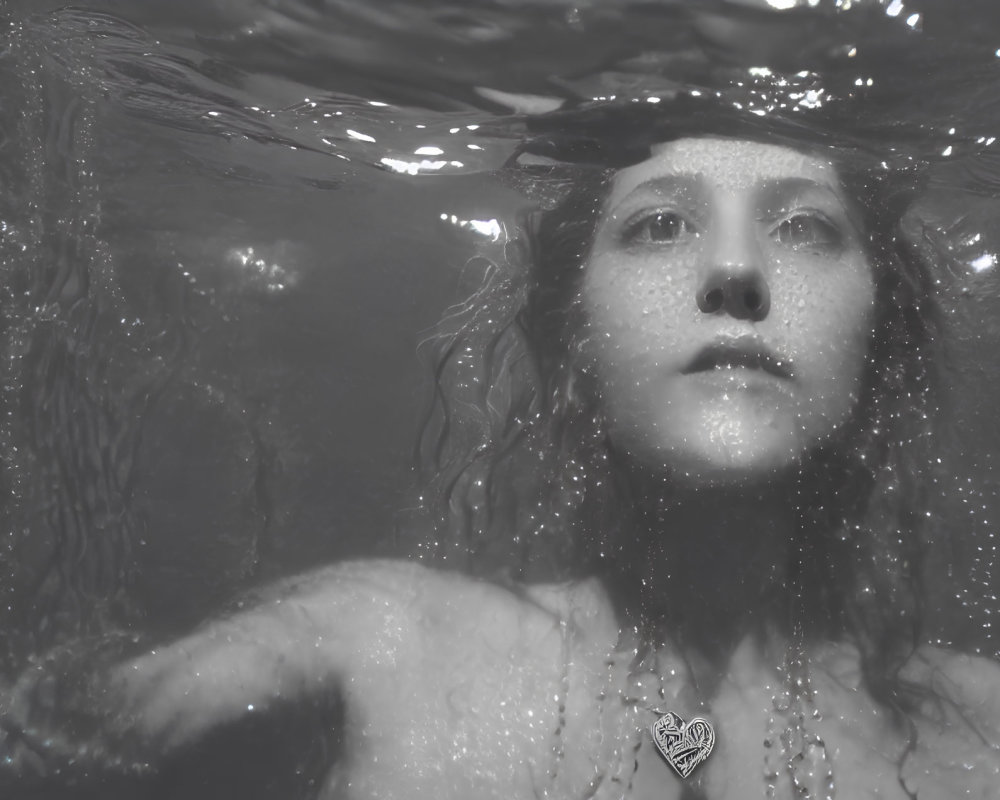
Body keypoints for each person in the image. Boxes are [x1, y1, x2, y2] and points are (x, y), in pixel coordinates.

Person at [7, 114, 1000, 800]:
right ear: (570, 332)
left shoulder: (984, 725)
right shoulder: (373, 643)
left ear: (878, 328)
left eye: (804, 226)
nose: (736, 271)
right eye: (659, 223)